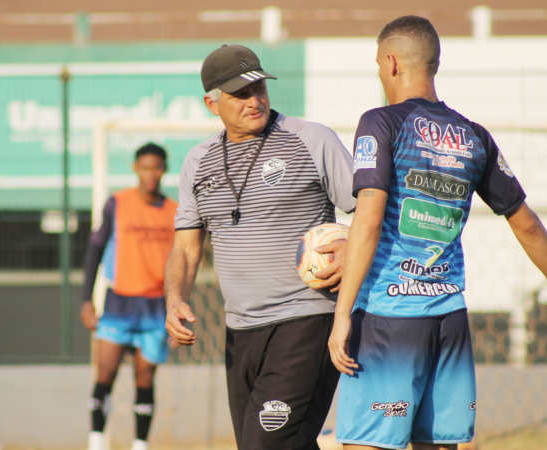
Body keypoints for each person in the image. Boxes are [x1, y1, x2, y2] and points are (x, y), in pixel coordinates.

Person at [328, 15, 547, 450]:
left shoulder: (381, 123)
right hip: (449, 321)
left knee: (366, 444)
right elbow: (527, 224)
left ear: (391, 63)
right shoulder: (473, 136)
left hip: (390, 316)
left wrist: (342, 314)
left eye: (378, 65)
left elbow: (368, 221)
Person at [165, 44, 356, 450]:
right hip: (241, 331)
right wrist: (175, 298)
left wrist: (352, 247)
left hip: (306, 319)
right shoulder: (197, 162)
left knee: (264, 445)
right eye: (240, 94)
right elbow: (185, 248)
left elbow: (372, 212)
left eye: (259, 89)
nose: (254, 101)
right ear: (211, 103)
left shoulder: (312, 139)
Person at [80, 143, 177, 450]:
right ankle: (96, 442)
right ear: (136, 169)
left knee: (145, 378)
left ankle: (140, 445)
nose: (151, 174)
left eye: (156, 167)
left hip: (156, 307)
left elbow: (182, 263)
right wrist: (86, 300)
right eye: (145, 167)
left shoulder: (175, 211)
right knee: (105, 373)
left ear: (164, 170)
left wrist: (178, 311)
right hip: (119, 302)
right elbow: (95, 249)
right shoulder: (117, 204)